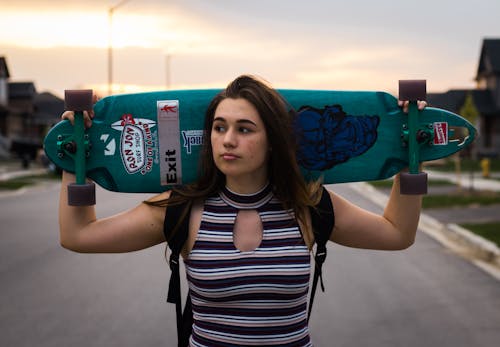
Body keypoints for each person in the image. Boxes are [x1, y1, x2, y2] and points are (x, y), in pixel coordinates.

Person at [59, 75, 425, 346]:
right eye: (219, 127)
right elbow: (79, 235)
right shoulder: (182, 209)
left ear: (273, 142)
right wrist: (74, 156)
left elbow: (396, 233)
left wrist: (412, 153)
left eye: (245, 129)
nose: (228, 139)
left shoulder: (308, 205)